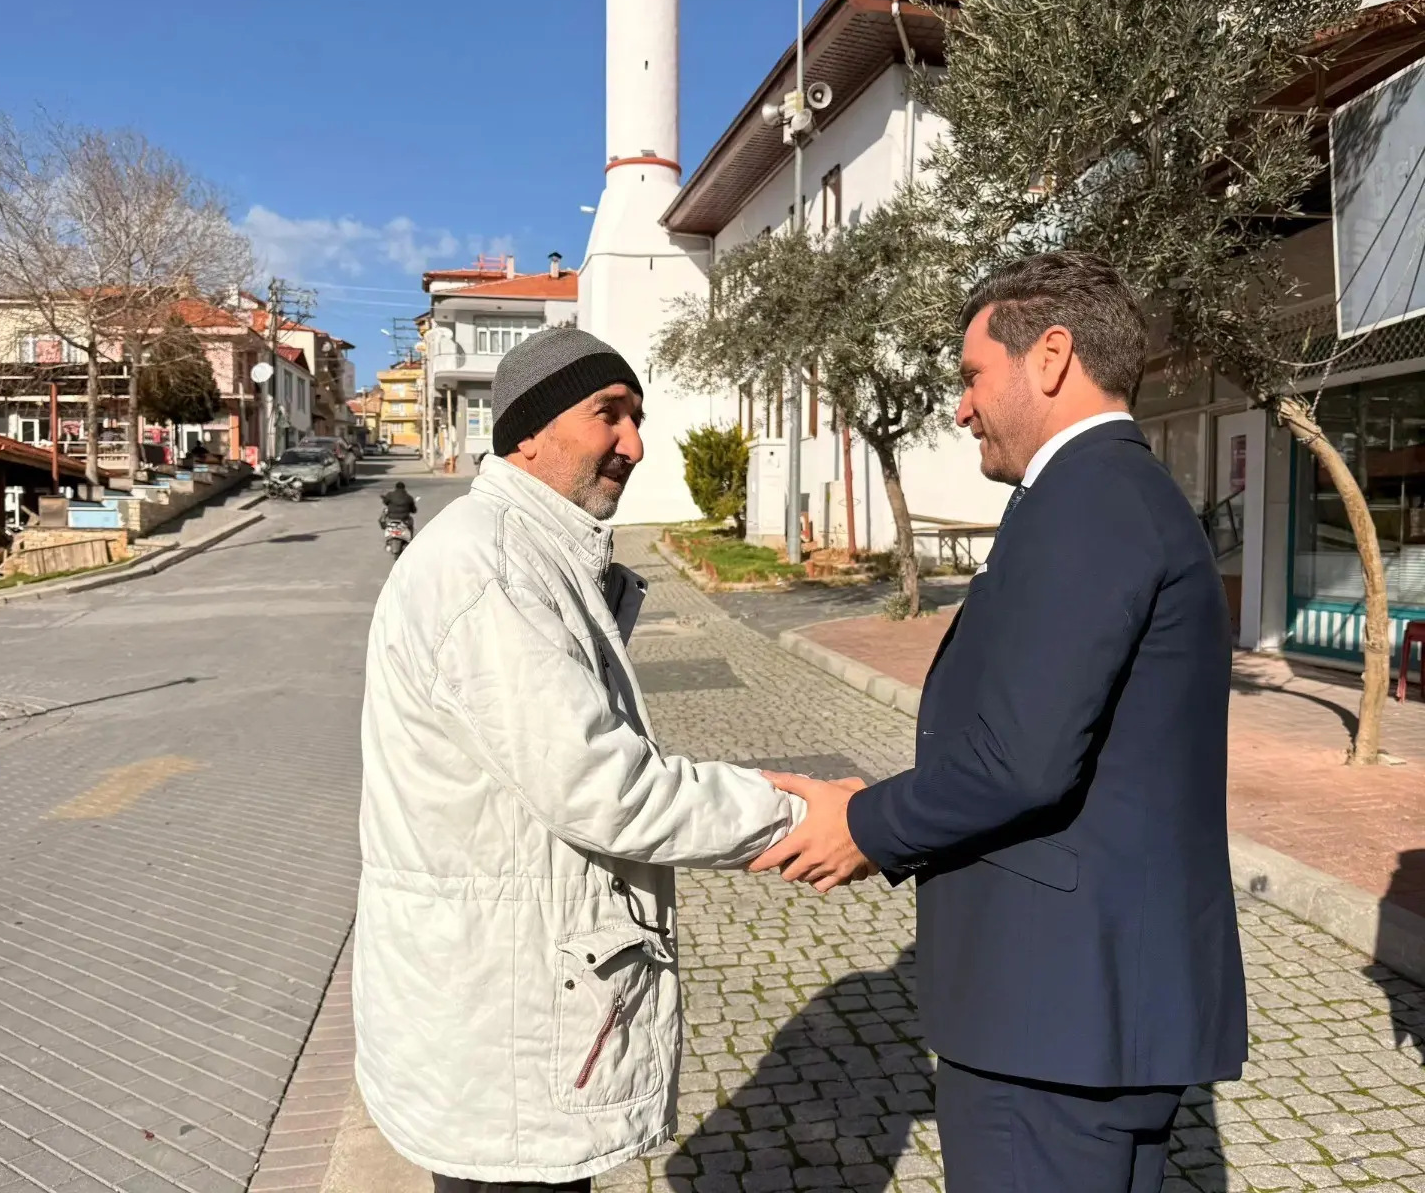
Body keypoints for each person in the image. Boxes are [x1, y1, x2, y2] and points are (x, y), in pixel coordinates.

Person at [754, 251, 1248, 1193]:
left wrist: (859, 825)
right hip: (1078, 1012)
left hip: (1052, 1020)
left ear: (1051, 356)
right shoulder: (1100, 495)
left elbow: (1020, 762)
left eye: (973, 375)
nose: (962, 406)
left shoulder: (1090, 498)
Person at [353, 327, 806, 1193]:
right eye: (611, 414)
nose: (634, 444)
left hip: (505, 1007)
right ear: (528, 430)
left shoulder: (527, 553)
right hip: (502, 1024)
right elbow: (606, 789)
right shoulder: (490, 572)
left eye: (637, 417)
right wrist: (797, 812)